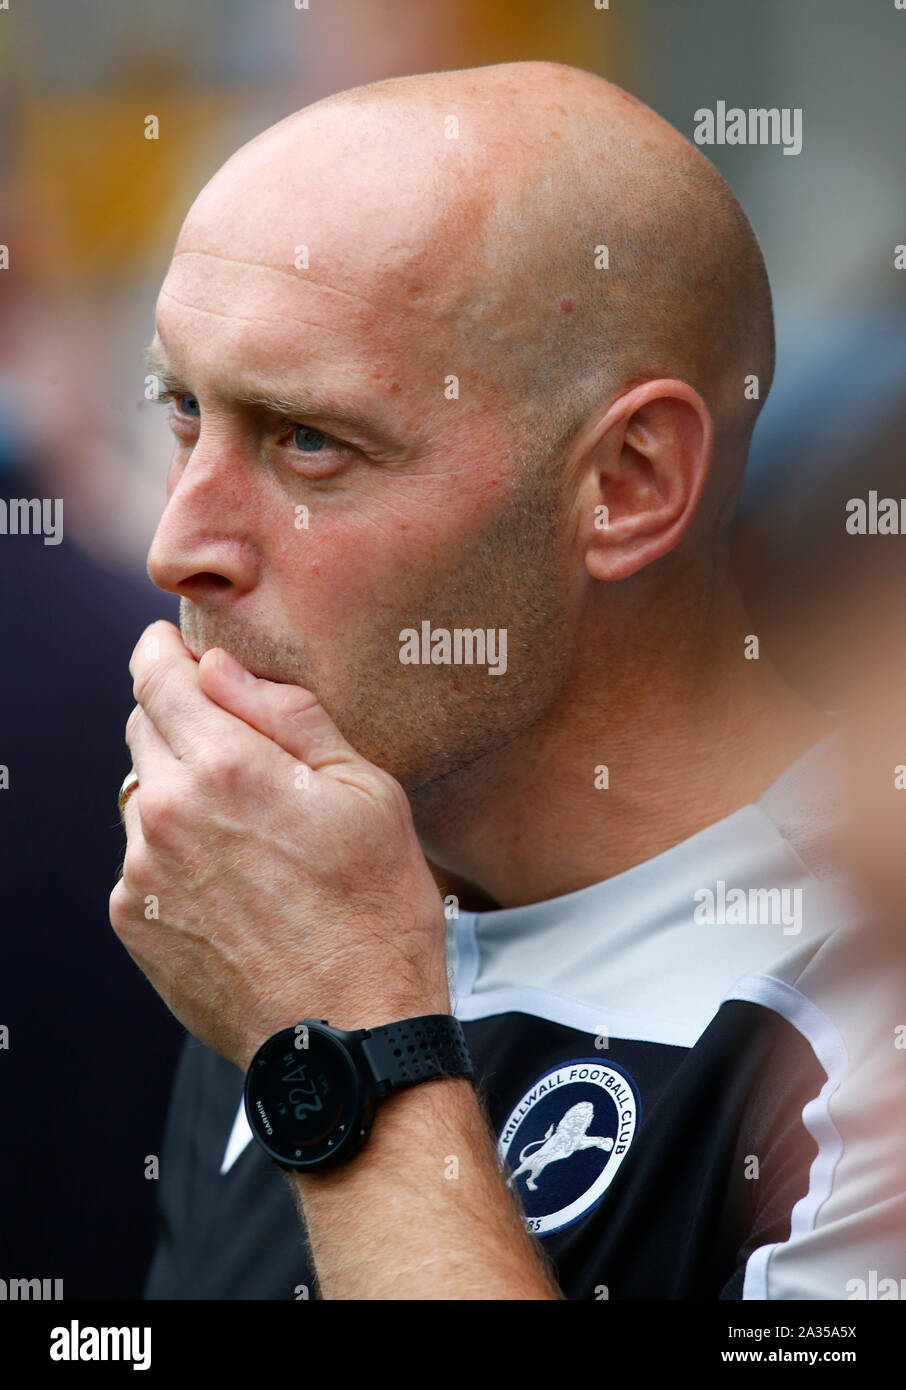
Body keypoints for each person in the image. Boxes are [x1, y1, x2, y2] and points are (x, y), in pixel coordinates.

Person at [108, 61, 904, 1300]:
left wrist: (353, 1051)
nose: (177, 544)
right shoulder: (270, 885)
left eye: (308, 440)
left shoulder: (863, 1008)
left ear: (629, 482)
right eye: (181, 411)